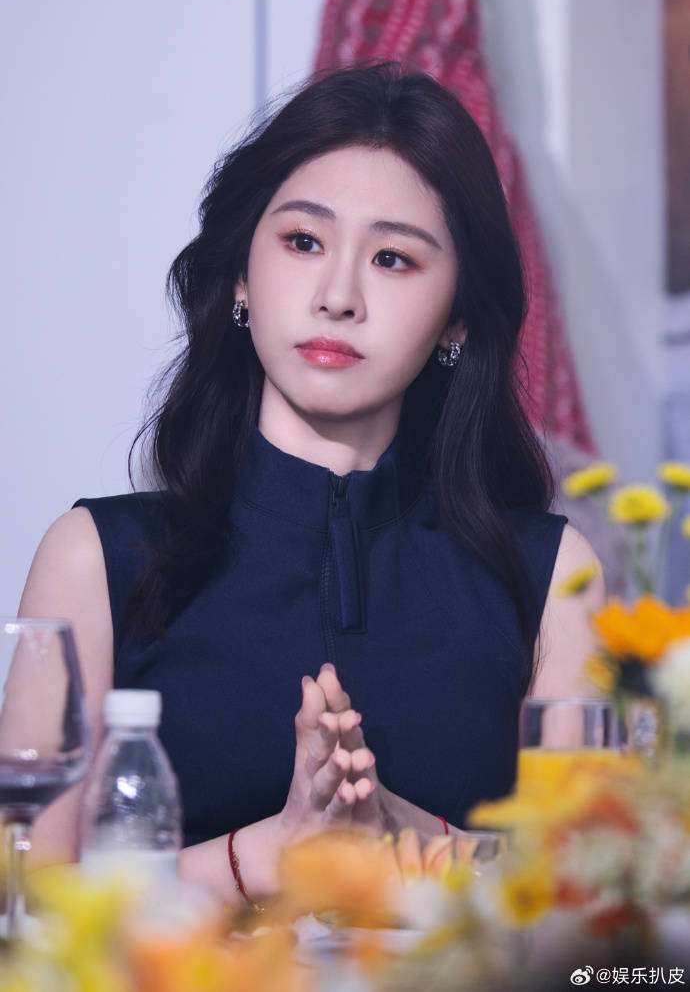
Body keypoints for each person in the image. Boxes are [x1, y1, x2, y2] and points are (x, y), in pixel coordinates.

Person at [17, 60, 604, 909]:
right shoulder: (95, 559)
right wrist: (264, 854)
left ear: (457, 317)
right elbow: (28, 907)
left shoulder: (550, 576)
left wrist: (396, 834)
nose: (338, 296)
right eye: (303, 242)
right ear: (241, 274)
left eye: (393, 258)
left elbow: (590, 904)